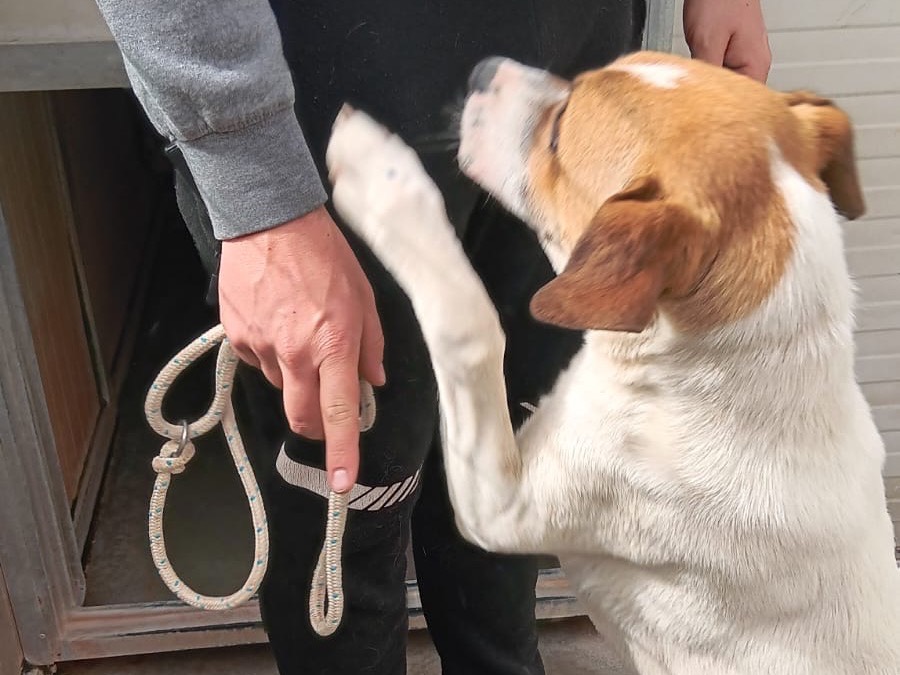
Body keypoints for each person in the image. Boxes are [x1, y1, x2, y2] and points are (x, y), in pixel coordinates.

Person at [94, 1, 771, 673]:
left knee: (504, 432)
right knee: (347, 500)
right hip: (334, 84)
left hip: (571, 51)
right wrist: (257, 190)